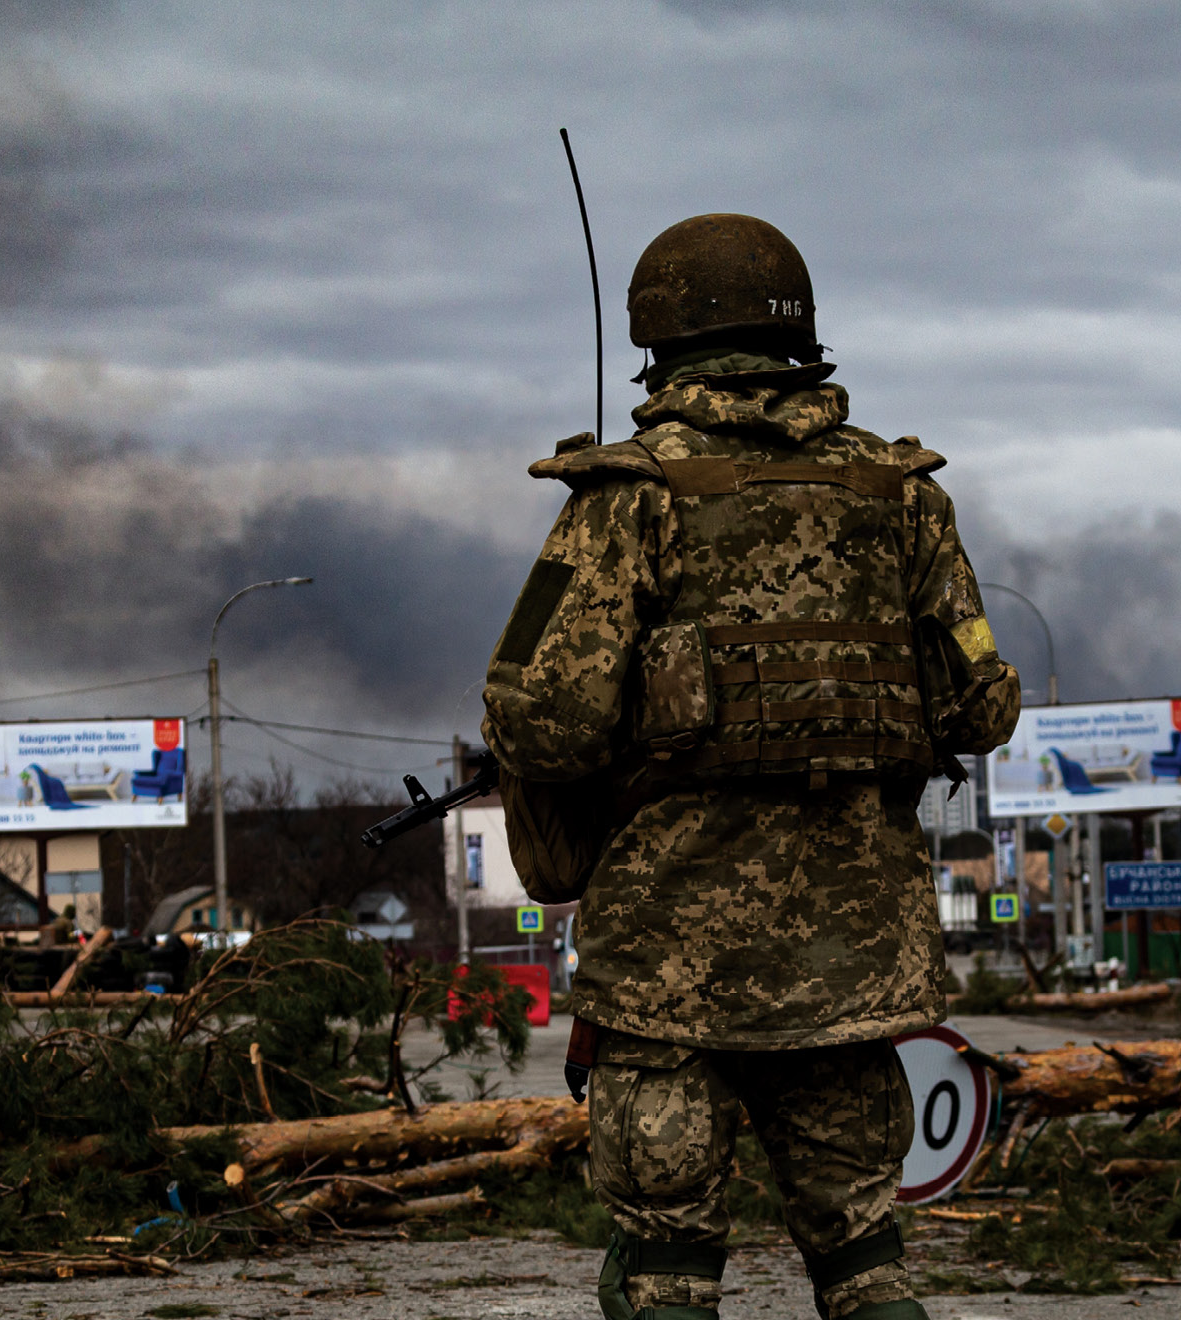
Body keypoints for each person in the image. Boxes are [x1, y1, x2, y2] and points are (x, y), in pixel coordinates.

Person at [481, 213, 1021, 1320]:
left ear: (658, 336)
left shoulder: (624, 497)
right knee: (867, 1262)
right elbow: (982, 703)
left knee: (669, 1265)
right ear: (799, 333)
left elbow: (540, 719)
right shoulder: (905, 495)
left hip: (670, 961)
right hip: (853, 955)